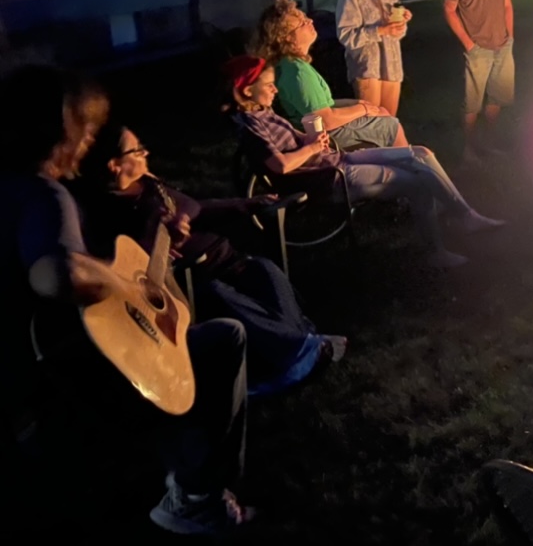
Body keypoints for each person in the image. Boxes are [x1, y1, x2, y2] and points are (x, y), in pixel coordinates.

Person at [0, 65, 253, 534]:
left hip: (26, 384)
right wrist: (121, 283)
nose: (91, 141)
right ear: (60, 129)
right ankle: (197, 496)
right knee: (223, 340)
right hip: (64, 386)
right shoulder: (42, 195)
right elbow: (56, 273)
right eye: (88, 127)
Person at [75, 122, 347, 396]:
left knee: (265, 271)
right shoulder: (107, 210)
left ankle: (292, 358)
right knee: (221, 295)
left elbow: (195, 207)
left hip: (229, 258)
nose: (145, 153)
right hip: (197, 278)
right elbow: (129, 261)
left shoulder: (146, 184)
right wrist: (161, 236)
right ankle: (302, 351)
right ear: (114, 165)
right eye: (137, 151)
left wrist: (244, 204)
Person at [226, 56, 503, 270]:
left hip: (339, 159)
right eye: (268, 84)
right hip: (332, 178)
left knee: (420, 153)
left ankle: (465, 215)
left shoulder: (263, 112)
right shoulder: (251, 126)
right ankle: (436, 253)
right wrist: (311, 147)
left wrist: (310, 137)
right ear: (248, 90)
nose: (275, 89)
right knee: (419, 183)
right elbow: (280, 166)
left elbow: (292, 139)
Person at [255, 0, 408, 151]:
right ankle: (410, 169)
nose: (311, 21)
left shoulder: (292, 65)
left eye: (306, 18)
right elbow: (325, 119)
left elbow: (325, 104)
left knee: (382, 113)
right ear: (286, 38)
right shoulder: (297, 72)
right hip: (325, 137)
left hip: (323, 129)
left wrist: (359, 104)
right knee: (391, 126)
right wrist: (364, 110)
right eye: (302, 23)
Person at [443, 0, 516, 162]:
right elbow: (449, 8)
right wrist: (469, 43)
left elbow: (507, 4)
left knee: (497, 96)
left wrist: (510, 36)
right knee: (472, 102)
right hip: (477, 46)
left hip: (503, 44)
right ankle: (469, 148)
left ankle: (490, 141)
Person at [336, 0, 411, 116]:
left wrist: (400, 23)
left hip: (391, 65)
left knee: (389, 124)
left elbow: (397, 32)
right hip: (368, 66)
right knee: (371, 124)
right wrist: (380, 30)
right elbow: (346, 35)